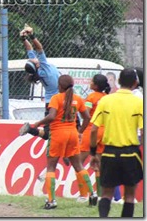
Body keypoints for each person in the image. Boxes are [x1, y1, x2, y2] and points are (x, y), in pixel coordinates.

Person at [32, 75, 97, 209]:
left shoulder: (56, 98)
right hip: (72, 133)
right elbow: (87, 117)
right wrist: (80, 132)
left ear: (60, 86)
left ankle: (51, 201)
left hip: (58, 134)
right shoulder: (77, 99)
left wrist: (38, 122)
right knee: (78, 165)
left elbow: (51, 116)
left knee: (51, 167)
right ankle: (92, 193)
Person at [90, 68, 143, 217]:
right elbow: (143, 131)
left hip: (109, 152)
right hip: (131, 153)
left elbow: (94, 130)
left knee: (106, 193)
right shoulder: (139, 102)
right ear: (135, 83)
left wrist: (93, 153)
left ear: (118, 81)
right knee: (130, 195)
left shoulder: (106, 100)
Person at [18, 24, 59, 140]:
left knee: (47, 134)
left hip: (49, 102)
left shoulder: (38, 69)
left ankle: (30, 129)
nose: (32, 57)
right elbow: (39, 48)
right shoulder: (44, 67)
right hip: (58, 102)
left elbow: (29, 49)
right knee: (71, 125)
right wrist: (32, 35)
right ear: (37, 65)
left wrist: (23, 39)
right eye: (33, 60)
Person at [78, 74, 111, 202]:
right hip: (105, 131)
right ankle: (101, 193)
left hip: (92, 129)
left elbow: (85, 112)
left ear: (95, 85)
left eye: (91, 81)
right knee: (99, 163)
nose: (89, 82)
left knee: (78, 162)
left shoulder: (91, 97)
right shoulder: (107, 97)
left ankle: (84, 194)